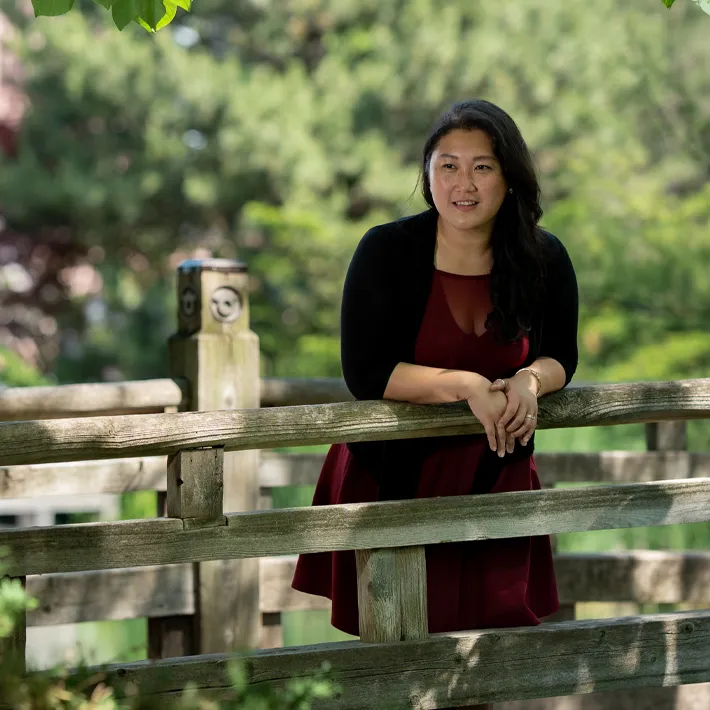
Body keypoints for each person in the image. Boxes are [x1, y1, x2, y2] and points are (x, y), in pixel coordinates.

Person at [292, 99, 579, 710]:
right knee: (401, 670)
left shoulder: (543, 256)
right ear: (427, 174)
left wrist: (529, 380)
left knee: (483, 665)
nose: (462, 183)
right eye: (446, 165)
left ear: (509, 178)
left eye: (481, 167)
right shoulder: (386, 250)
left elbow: (562, 355)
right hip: (392, 476)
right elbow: (365, 372)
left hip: (494, 473)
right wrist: (467, 385)